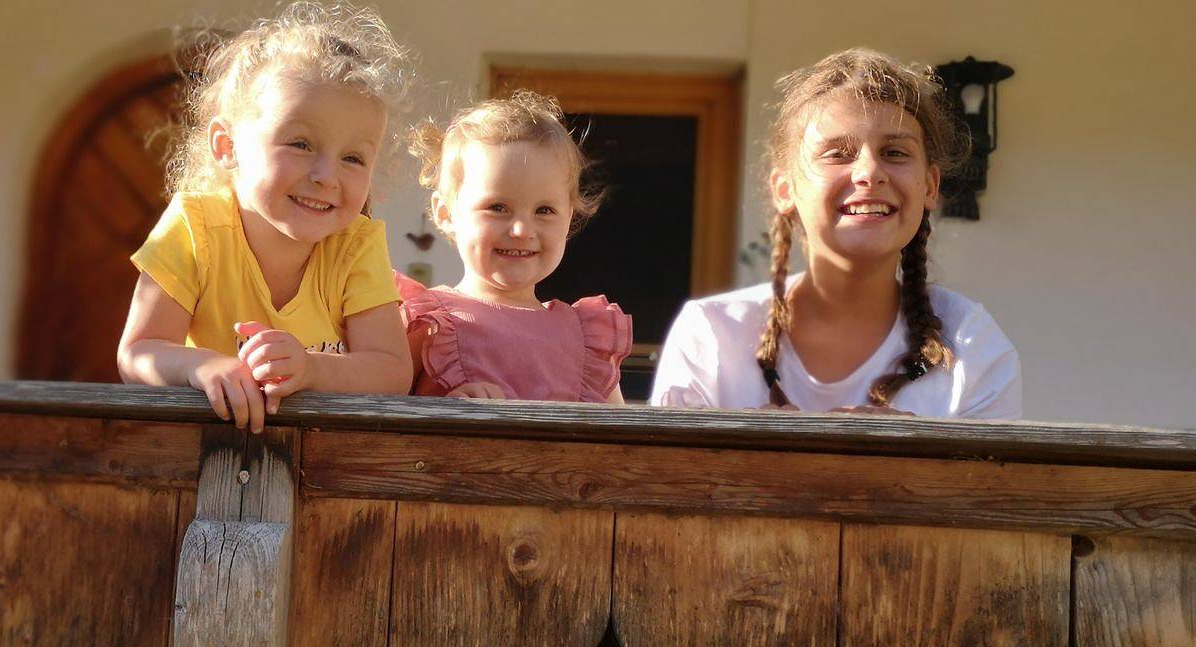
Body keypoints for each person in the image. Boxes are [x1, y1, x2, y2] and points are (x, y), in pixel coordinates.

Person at [651, 48, 1020, 419]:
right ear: (785, 189)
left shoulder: (972, 346)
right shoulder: (712, 335)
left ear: (929, 185)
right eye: (837, 154)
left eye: (894, 152)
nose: (869, 172)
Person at [118, 3, 414, 432]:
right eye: (299, 144)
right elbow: (138, 353)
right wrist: (202, 367)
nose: (325, 176)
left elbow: (392, 371)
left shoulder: (356, 243)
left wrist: (312, 369)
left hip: (323, 461)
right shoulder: (194, 226)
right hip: (200, 449)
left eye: (353, 157)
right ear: (227, 146)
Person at [399, 91, 631, 402]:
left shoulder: (588, 340)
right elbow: (382, 425)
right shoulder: (427, 325)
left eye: (544, 211)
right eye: (497, 207)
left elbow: (619, 443)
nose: (522, 230)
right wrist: (441, 412)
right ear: (445, 213)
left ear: (568, 220)